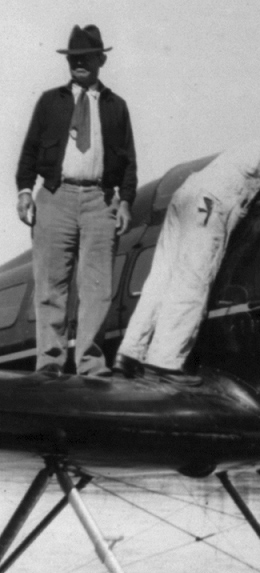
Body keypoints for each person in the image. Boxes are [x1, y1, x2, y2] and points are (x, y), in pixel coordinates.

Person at [113, 131, 260, 381]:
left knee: (161, 277)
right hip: (211, 203)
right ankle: (164, 362)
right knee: (194, 279)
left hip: (186, 195)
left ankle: (129, 355)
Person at [15, 25, 136, 376]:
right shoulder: (50, 102)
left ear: (101, 59)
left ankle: (91, 365)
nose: (79, 63)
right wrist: (25, 191)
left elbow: (128, 162)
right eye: (73, 58)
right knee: (51, 285)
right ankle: (49, 363)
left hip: (100, 201)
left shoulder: (117, 107)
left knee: (97, 289)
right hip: (55, 198)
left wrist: (125, 201)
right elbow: (29, 152)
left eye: (85, 57)